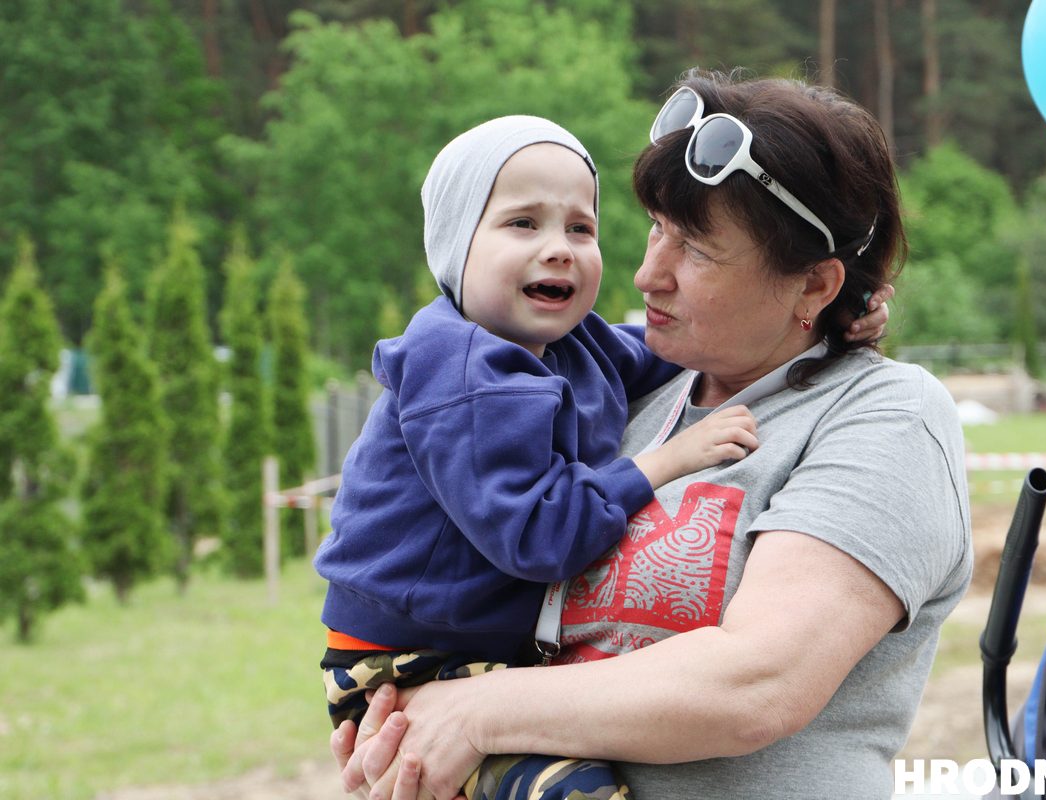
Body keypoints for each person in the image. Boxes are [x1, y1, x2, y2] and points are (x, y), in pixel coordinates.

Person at [331, 69, 971, 800]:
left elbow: (757, 684)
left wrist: (473, 713)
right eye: (657, 228)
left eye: (695, 249)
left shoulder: (883, 416)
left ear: (815, 285)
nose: (645, 275)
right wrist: (405, 738)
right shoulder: (630, 395)